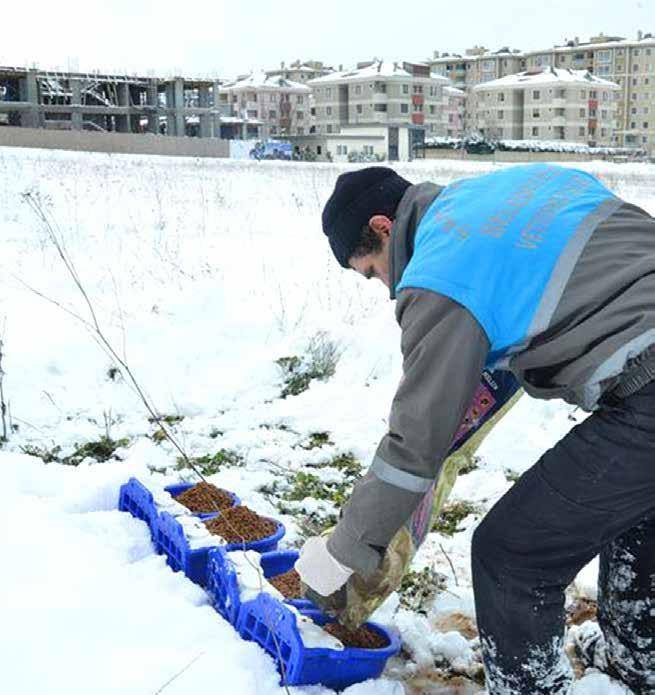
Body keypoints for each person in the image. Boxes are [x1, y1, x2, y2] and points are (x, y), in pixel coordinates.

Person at [295, 165, 655, 694]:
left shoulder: (440, 274)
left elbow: (414, 444)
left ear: (383, 227)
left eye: (371, 270)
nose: (385, 286)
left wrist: (345, 553)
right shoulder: (504, 191)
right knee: (636, 505)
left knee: (512, 554)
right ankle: (638, 661)